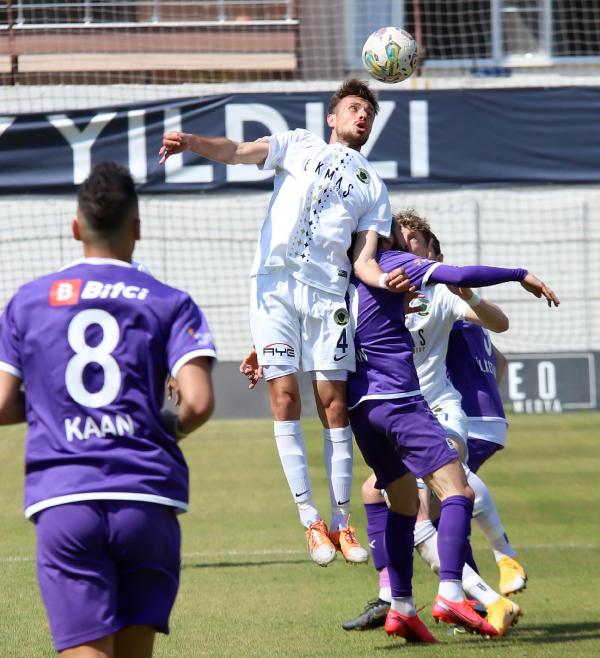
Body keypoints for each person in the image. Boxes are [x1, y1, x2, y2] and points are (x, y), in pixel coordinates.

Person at [161, 78, 409, 566]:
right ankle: (310, 520)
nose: (362, 117)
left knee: (333, 404)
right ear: (332, 117)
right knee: (284, 396)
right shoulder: (299, 144)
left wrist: (387, 282)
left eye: (369, 114)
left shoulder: (374, 187)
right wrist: (191, 142)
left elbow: (364, 261)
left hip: (328, 294)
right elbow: (236, 150)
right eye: (354, 108)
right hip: (273, 285)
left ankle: (342, 521)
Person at [0, 162, 216, 658]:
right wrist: (162, 425)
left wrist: (57, 409)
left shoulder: (28, 301)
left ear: (76, 228)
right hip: (146, 500)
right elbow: (199, 402)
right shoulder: (169, 300)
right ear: (136, 229)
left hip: (65, 498)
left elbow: (2, 402)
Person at [341, 211, 558, 641]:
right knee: (392, 496)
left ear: (428, 251)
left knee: (438, 496)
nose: (407, 247)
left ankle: (470, 583)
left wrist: (473, 298)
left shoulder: (437, 293)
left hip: (435, 411)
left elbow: (500, 326)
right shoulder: (373, 283)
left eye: (414, 240)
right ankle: (410, 597)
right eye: (400, 239)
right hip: (397, 409)